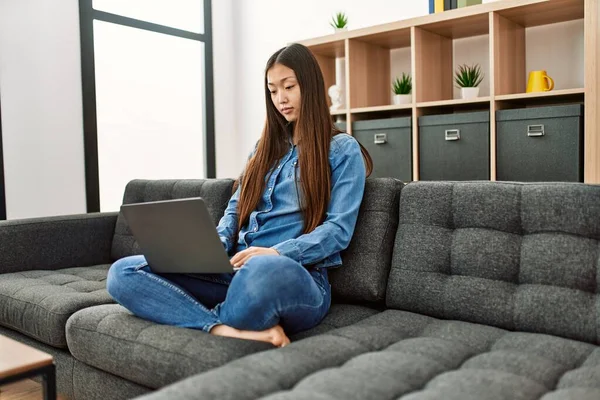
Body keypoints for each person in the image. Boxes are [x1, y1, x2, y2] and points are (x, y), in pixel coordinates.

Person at [106, 43, 373, 348]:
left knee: (261, 271)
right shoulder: (263, 149)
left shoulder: (341, 150)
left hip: (294, 276)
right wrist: (214, 248)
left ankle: (198, 315)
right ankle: (223, 329)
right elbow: (235, 210)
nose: (280, 99)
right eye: (272, 91)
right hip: (234, 271)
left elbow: (338, 231)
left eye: (289, 87)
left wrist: (277, 253)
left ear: (309, 86)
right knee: (123, 272)